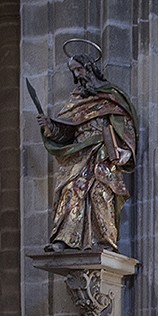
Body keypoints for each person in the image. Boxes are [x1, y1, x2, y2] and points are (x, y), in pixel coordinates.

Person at [39, 44, 137, 252]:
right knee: (69, 191)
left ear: (89, 67)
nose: (77, 75)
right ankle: (64, 240)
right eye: (73, 71)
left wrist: (126, 151)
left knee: (100, 193)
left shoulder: (111, 95)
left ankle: (105, 242)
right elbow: (66, 132)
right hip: (79, 153)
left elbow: (125, 127)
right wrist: (50, 127)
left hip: (103, 153)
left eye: (79, 69)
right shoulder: (76, 100)